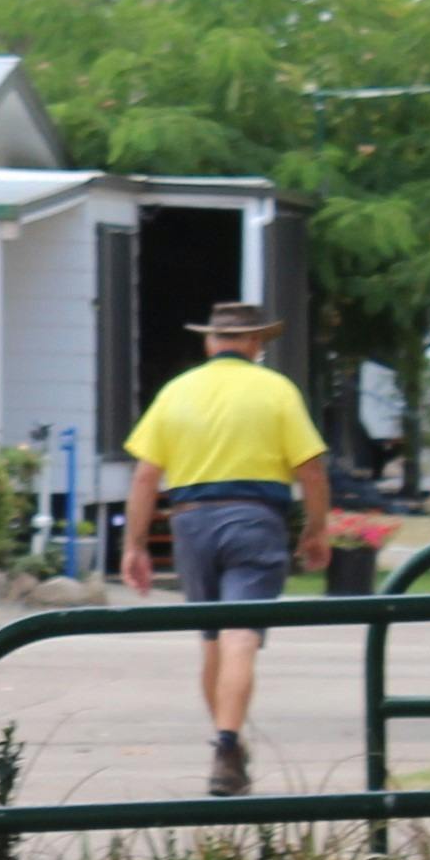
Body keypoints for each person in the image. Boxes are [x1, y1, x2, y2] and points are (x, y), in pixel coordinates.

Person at [118, 301, 331, 796]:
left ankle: (225, 747)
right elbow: (312, 469)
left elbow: (146, 475)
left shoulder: (176, 392)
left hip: (191, 522)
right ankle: (228, 745)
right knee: (241, 639)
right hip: (255, 519)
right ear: (256, 344)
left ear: (210, 342)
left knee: (212, 642)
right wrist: (316, 530)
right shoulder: (277, 391)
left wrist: (134, 545)